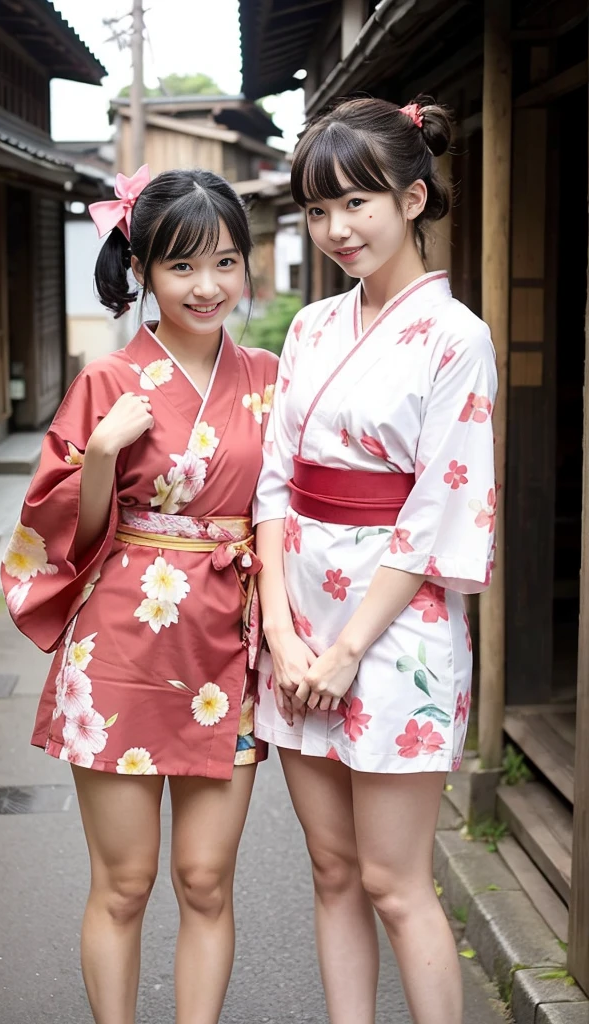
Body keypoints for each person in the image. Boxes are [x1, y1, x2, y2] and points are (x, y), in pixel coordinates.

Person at [1, 166, 277, 1024]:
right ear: (144, 271)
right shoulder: (108, 382)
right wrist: (100, 460)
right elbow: (67, 537)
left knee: (205, 880)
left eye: (226, 263)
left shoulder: (272, 374)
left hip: (226, 644)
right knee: (124, 883)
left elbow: (288, 514)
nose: (207, 286)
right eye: (183, 267)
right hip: (120, 646)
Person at [253, 97, 497, 1024]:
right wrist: (282, 632)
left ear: (414, 197)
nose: (336, 229)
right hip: (302, 626)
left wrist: (348, 647)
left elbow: (439, 511)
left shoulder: (458, 338)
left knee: (397, 883)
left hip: (395, 631)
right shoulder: (312, 327)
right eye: (317, 210)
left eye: (357, 203)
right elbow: (274, 484)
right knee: (331, 870)